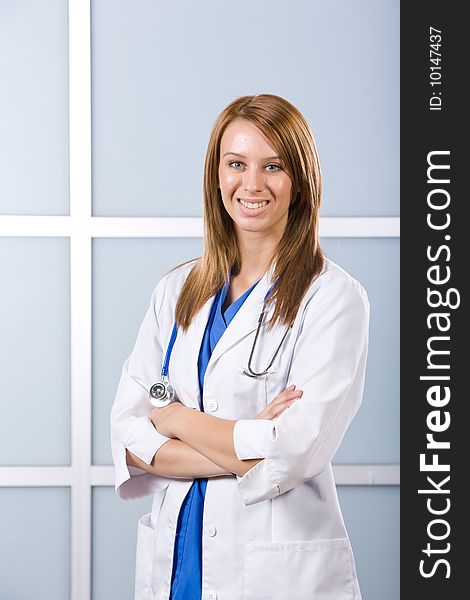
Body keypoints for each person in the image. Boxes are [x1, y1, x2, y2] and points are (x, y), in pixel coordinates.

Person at [110, 93, 369, 600]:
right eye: (236, 164)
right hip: (178, 565)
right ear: (217, 175)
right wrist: (244, 441)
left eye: (273, 166)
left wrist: (176, 419)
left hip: (276, 576)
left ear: (300, 180)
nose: (252, 184)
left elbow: (292, 454)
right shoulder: (177, 290)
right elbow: (126, 440)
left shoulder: (333, 298)